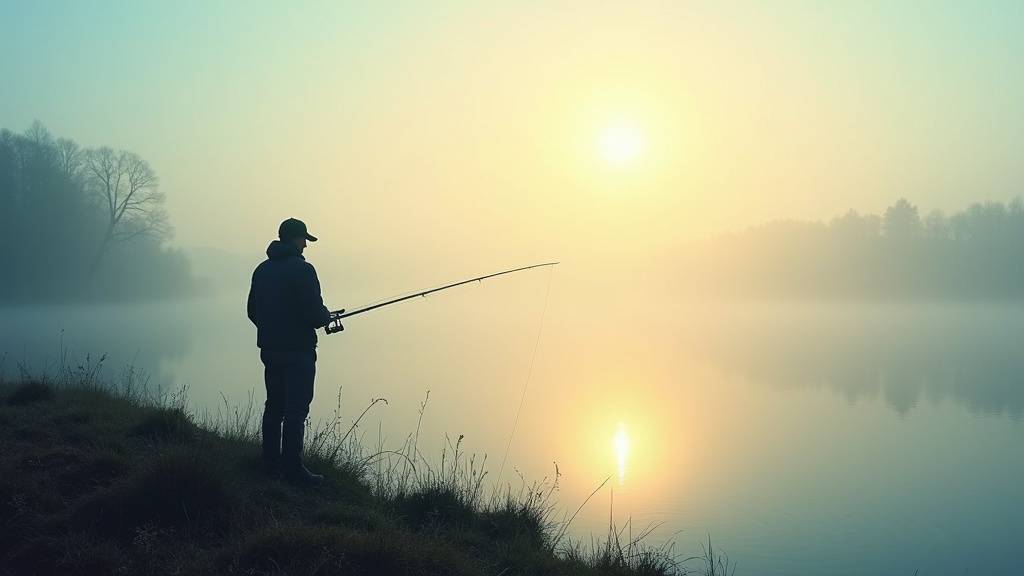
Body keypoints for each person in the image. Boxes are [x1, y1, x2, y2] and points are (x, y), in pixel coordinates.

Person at [247, 218, 332, 483]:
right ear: (294, 239)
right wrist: (326, 317)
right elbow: (315, 314)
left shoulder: (261, 270)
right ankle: (293, 470)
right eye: (304, 239)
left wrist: (272, 329)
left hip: (270, 350)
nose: (306, 245)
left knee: (274, 406)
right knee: (296, 410)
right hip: (298, 352)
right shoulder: (303, 270)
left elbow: (252, 311)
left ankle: (270, 464)